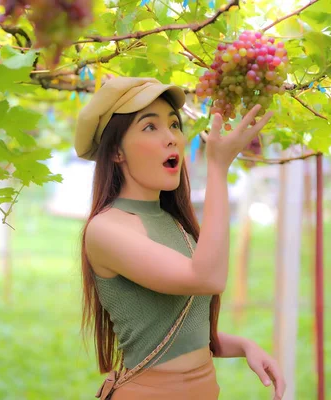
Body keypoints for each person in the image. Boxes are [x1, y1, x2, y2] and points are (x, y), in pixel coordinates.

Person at [75, 76, 285, 400]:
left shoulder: (175, 224)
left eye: (174, 125)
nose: (171, 138)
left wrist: (245, 346)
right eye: (150, 127)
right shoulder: (106, 230)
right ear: (116, 151)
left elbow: (182, 335)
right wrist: (218, 168)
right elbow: (209, 278)